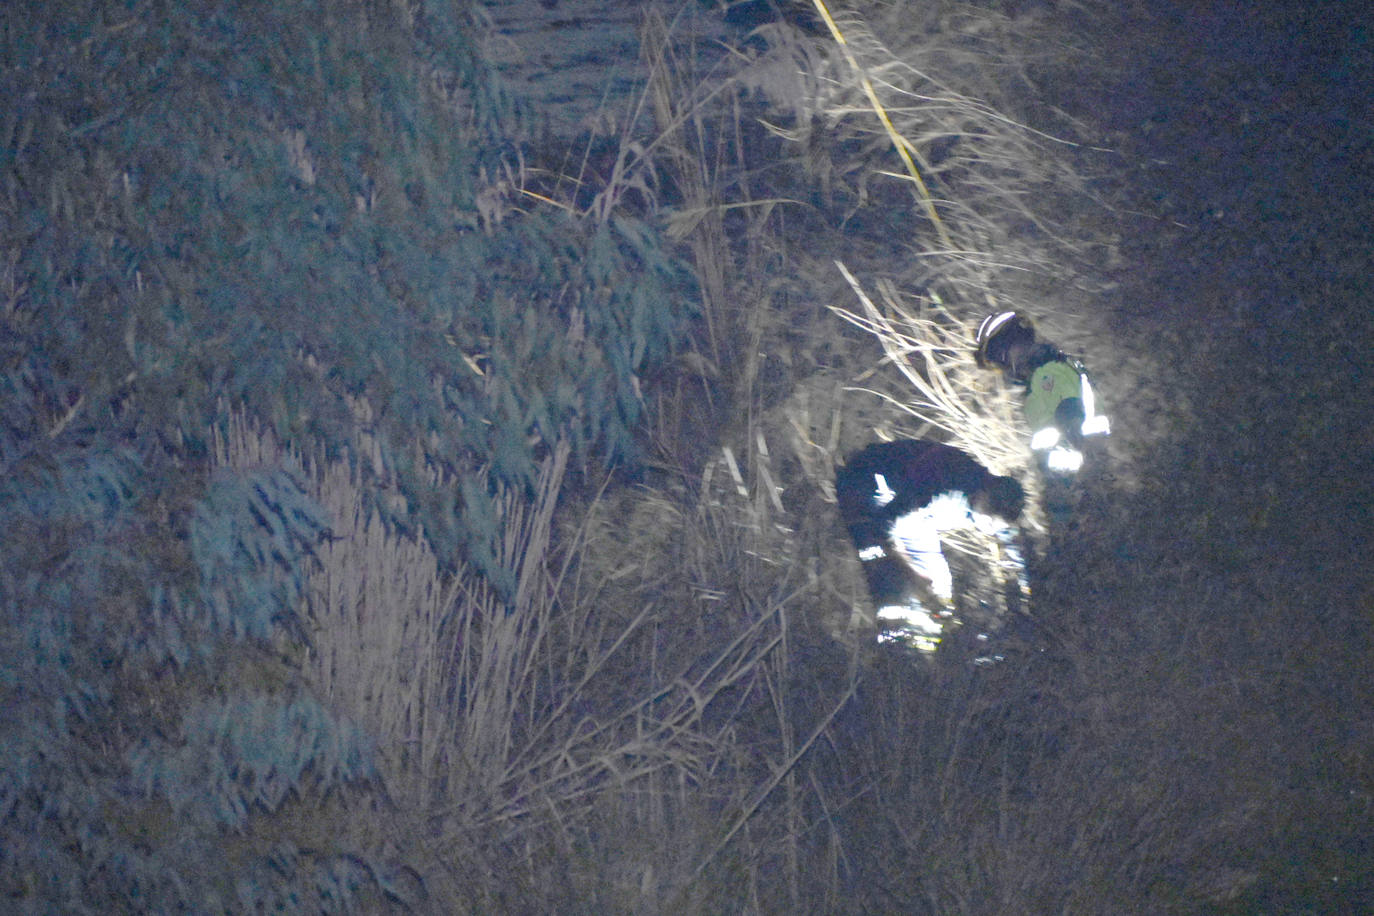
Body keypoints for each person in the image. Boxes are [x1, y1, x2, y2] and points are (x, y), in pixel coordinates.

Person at [835, 439, 1027, 652]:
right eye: (988, 520)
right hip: (868, 486)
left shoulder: (992, 499)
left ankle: (929, 643)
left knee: (939, 581)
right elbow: (885, 530)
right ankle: (895, 648)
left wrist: (1026, 584)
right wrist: (912, 575)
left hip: (913, 513)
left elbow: (1010, 539)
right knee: (891, 575)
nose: (988, 529)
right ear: (983, 495)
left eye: (994, 526)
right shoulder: (945, 495)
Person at [974, 311, 1110, 474]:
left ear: (1008, 345)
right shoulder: (1047, 373)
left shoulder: (1047, 374)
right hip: (1080, 476)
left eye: (998, 357)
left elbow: (1072, 419)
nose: (1003, 367)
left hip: (1086, 477)